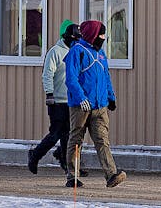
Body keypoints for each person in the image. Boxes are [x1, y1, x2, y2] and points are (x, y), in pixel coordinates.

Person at [63, 19, 126, 189]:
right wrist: (81, 98)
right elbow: (71, 79)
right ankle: (72, 175)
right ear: (93, 35)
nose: (104, 38)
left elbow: (106, 76)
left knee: (102, 140)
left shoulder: (100, 53)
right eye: (101, 34)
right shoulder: (77, 52)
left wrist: (111, 97)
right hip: (81, 106)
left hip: (100, 106)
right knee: (76, 139)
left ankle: (111, 174)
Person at [27, 20, 79, 174]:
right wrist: (49, 93)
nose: (76, 42)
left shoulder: (76, 51)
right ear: (67, 37)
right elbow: (47, 74)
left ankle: (66, 163)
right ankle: (35, 155)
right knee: (55, 134)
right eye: (75, 39)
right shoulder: (55, 51)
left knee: (68, 135)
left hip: (71, 100)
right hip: (56, 100)